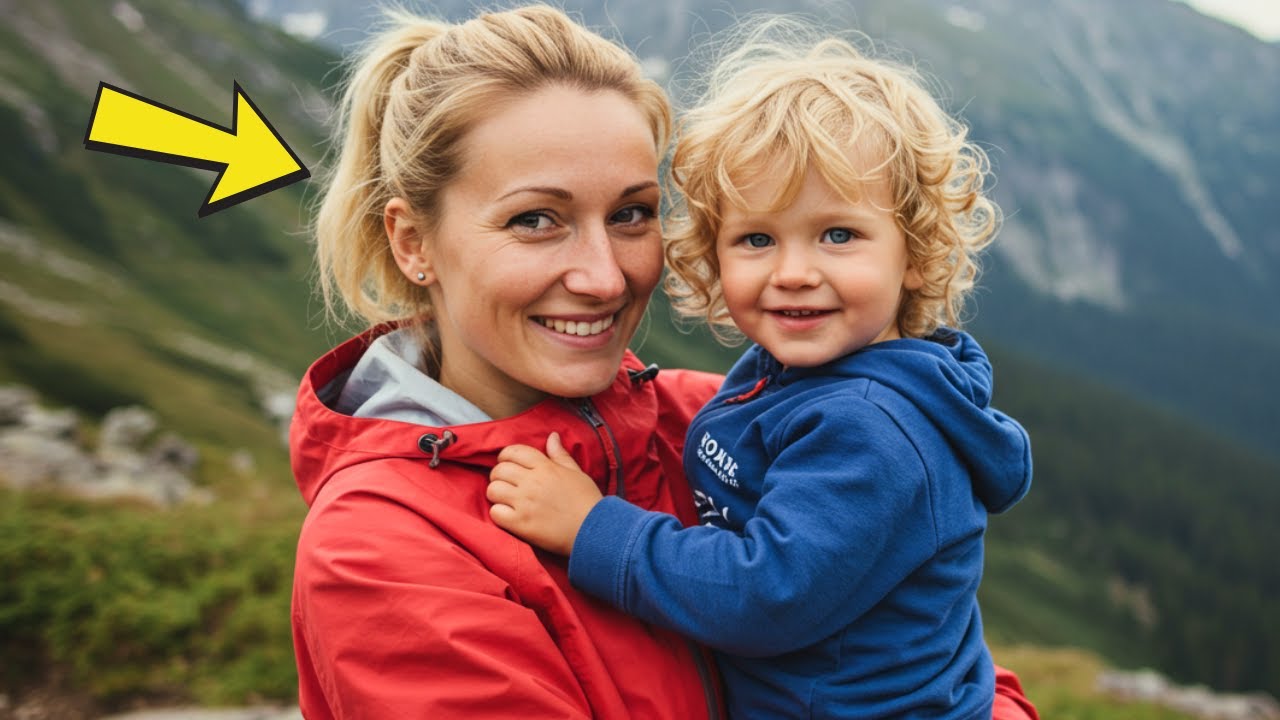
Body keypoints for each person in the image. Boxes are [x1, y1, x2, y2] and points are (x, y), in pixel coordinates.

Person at [290, 4, 1037, 719]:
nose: (604, 277)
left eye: (631, 215)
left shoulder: (702, 420)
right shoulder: (379, 552)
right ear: (412, 242)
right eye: (535, 220)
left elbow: (935, 653)